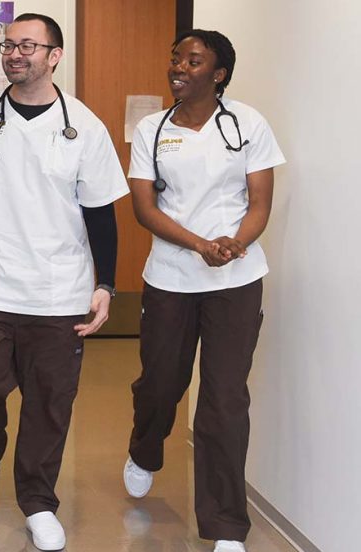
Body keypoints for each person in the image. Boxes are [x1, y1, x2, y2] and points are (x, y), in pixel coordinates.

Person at [0, 13, 127, 551]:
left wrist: (105, 285)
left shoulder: (84, 127)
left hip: (58, 289)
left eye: (28, 46)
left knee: (49, 404)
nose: (15, 53)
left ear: (54, 55)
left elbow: (101, 215)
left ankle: (39, 503)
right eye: (8, 43)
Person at [121, 30, 285, 552]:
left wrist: (233, 244)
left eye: (192, 61)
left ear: (217, 75)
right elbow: (144, 209)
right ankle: (146, 450)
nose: (178, 67)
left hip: (235, 280)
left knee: (224, 400)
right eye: (176, 58)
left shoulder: (247, 123)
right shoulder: (151, 129)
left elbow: (260, 202)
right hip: (171, 276)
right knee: (160, 385)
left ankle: (225, 525)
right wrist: (198, 245)